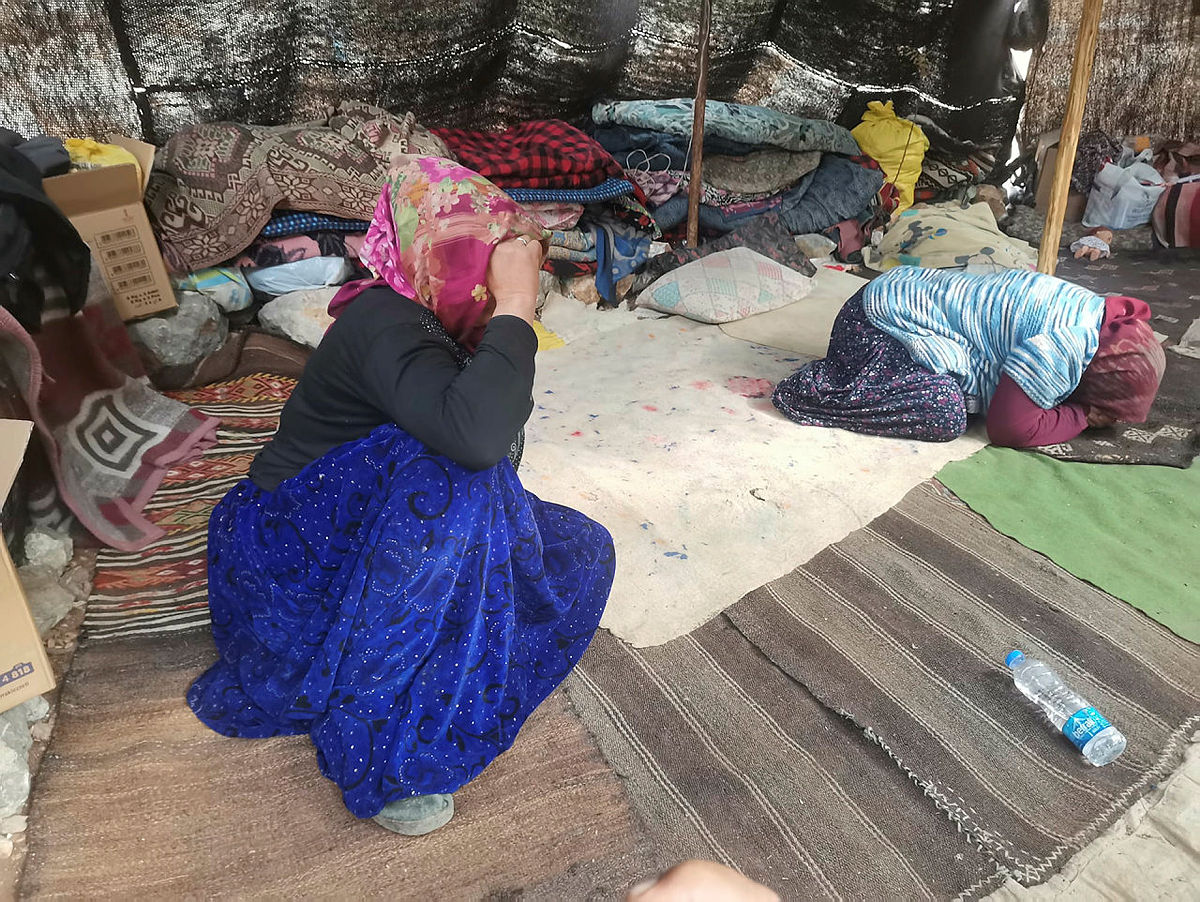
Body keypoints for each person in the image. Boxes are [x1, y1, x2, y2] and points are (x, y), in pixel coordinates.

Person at [187, 156, 616, 836]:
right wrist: (514, 307)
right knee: (456, 477)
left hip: (362, 523)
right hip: (291, 554)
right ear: (424, 253)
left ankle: (430, 632)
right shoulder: (389, 323)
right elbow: (478, 440)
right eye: (474, 261)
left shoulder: (435, 317)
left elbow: (491, 427)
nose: (489, 282)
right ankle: (387, 746)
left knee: (578, 548)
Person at [772, 266, 1165, 448]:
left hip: (895, 291)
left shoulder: (1095, 312)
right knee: (944, 412)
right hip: (876, 323)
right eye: (1113, 411)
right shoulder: (1066, 346)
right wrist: (1081, 415)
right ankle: (816, 391)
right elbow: (1010, 429)